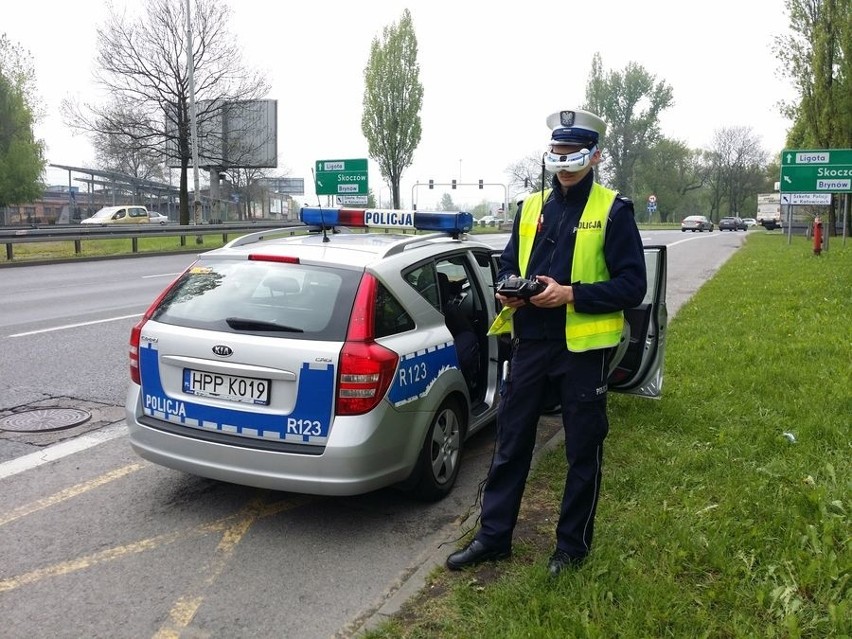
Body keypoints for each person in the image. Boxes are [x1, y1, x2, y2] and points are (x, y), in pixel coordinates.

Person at [445, 108, 647, 577]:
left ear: (594, 157)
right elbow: (508, 263)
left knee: (582, 450)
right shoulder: (530, 207)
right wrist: (508, 288)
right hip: (531, 343)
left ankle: (570, 551)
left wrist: (571, 293)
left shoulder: (614, 210)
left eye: (572, 153)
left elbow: (632, 286)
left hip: (582, 350)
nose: (563, 161)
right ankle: (494, 538)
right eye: (557, 152)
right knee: (511, 443)